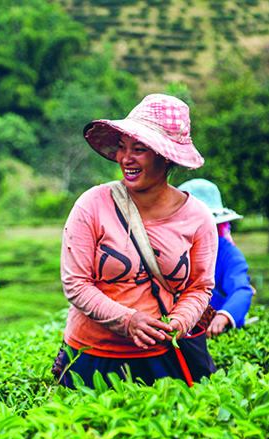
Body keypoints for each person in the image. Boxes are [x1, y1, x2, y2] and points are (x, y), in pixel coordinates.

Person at [56, 94, 217, 389]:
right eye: (122, 147)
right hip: (91, 356)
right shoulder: (92, 204)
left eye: (139, 149)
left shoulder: (198, 218)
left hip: (161, 357)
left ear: (165, 156)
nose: (125, 159)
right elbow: (75, 283)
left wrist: (179, 322)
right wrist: (128, 320)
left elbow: (199, 287)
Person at [178, 178, 253, 337]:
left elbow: (241, 289)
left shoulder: (226, 252)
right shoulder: (170, 251)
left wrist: (224, 315)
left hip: (215, 334)